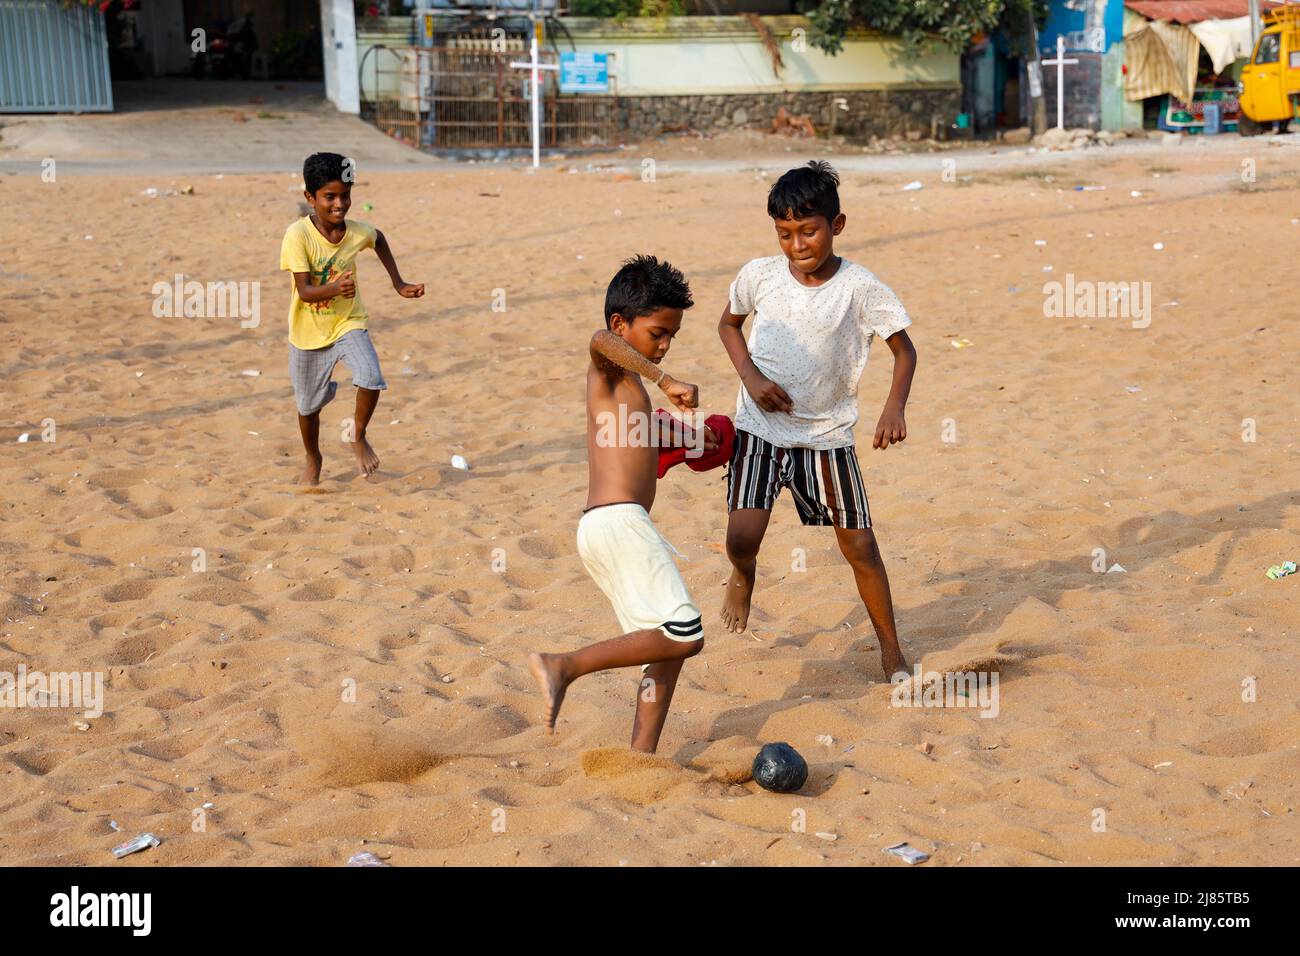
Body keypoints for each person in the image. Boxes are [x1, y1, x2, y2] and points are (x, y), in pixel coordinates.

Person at [717, 160, 917, 679]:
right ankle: (743, 575)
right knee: (742, 538)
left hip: (826, 435)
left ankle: (891, 649)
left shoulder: (860, 287)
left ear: (837, 225)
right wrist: (750, 376)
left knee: (861, 545)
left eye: (809, 231)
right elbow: (729, 323)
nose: (797, 245)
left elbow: (905, 351)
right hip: (758, 430)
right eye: (785, 233)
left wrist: (893, 407)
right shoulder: (759, 275)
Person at [529, 255, 720, 753]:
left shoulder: (630, 391)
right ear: (622, 323)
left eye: (672, 337)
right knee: (687, 634)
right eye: (658, 332)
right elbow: (597, 338)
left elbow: (655, 449)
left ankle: (642, 756)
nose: (665, 345)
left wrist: (700, 442)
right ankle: (563, 665)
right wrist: (665, 378)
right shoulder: (611, 371)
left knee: (666, 649)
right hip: (618, 524)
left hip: (610, 527)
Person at [279, 152, 423, 484]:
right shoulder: (297, 236)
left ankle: (357, 434)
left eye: (345, 195)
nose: (339, 204)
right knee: (307, 408)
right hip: (307, 334)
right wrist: (333, 288)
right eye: (330, 196)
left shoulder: (357, 232)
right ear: (310, 198)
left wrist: (398, 283)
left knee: (371, 376)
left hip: (348, 323)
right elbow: (304, 291)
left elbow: (379, 238)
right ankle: (313, 458)